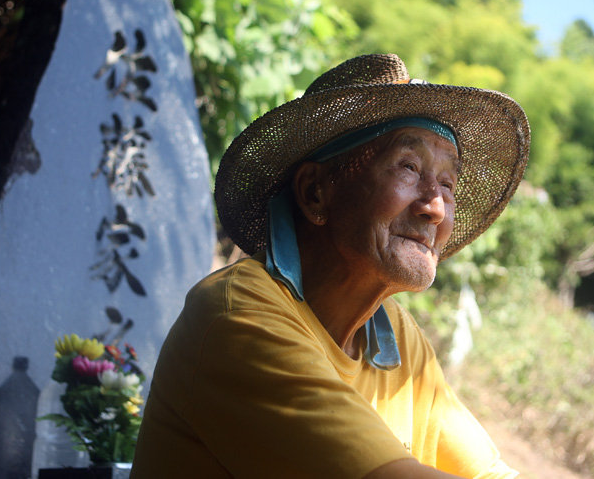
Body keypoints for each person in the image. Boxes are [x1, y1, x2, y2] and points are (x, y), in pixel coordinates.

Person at [131, 53, 530, 478]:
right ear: (315, 192)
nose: (435, 206)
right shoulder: (240, 315)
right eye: (409, 167)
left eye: (447, 184)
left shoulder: (395, 337)